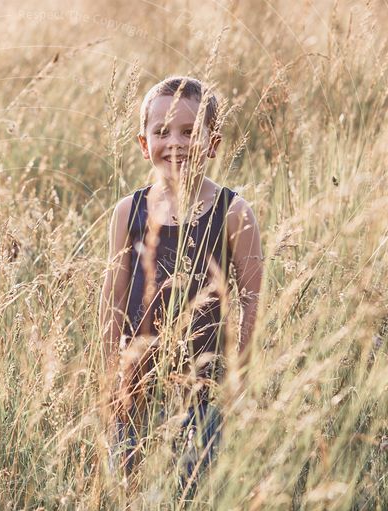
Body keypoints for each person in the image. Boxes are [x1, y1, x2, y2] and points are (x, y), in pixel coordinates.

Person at [99, 77, 264, 483]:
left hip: (207, 392)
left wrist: (237, 376)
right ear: (143, 144)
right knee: (132, 488)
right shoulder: (128, 211)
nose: (175, 142)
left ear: (213, 143)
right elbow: (113, 300)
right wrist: (109, 378)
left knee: (195, 492)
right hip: (136, 388)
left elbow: (254, 299)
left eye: (189, 132)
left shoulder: (232, 211)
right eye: (162, 132)